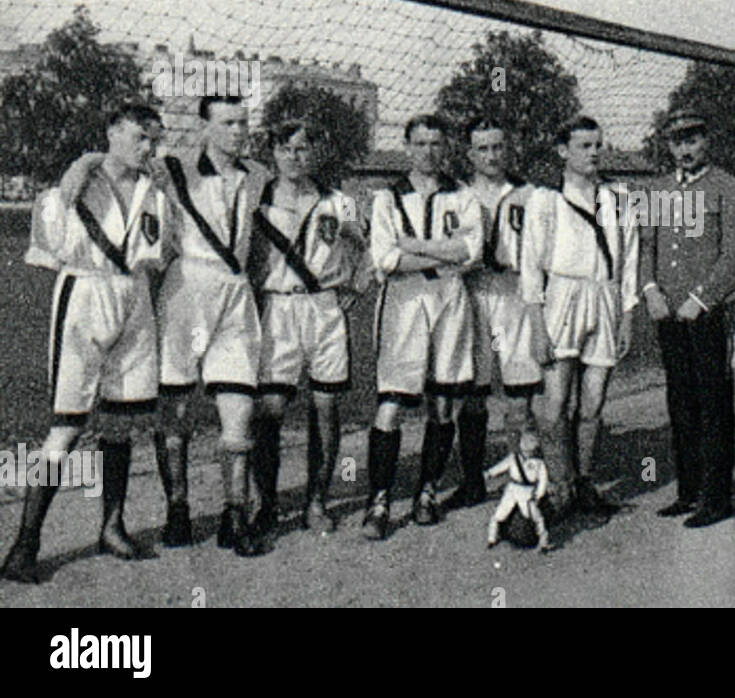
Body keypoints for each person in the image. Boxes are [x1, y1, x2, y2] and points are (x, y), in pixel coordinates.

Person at [2, 104, 170, 583]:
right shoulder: (74, 184)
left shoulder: (152, 192)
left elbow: (159, 251)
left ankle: (112, 526)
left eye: (154, 140)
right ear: (112, 132)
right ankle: (26, 542)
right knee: (68, 425)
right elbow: (51, 241)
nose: (148, 148)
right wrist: (82, 165)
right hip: (84, 295)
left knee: (121, 421)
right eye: (140, 137)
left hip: (133, 297)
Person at [150, 94, 275, 557]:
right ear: (205, 127)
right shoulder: (173, 168)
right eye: (227, 123)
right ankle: (178, 508)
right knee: (176, 406)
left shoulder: (259, 175)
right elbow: (120, 163)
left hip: (236, 293)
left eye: (243, 122)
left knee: (238, 405)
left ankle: (234, 514)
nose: (238, 131)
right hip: (187, 289)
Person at [363, 114, 484, 540]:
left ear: (446, 146)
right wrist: (441, 253)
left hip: (450, 300)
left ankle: (427, 490)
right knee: (392, 403)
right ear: (407, 146)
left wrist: (413, 246)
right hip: (405, 301)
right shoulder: (387, 199)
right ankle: (378, 499)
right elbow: (386, 259)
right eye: (420, 143)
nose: (428, 151)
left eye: (436, 143)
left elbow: (471, 252)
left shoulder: (463, 195)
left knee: (444, 403)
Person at [247, 120, 366, 536]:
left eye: (303, 148)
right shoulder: (257, 200)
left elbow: (364, 244)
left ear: (315, 152)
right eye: (286, 149)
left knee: (326, 406)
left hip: (323, 307)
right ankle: (265, 501)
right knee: (271, 409)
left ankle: (317, 500)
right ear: (273, 154)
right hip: (277, 307)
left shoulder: (338, 201)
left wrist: (357, 282)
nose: (294, 157)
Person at [519, 115, 639, 519]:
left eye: (597, 145)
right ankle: (558, 487)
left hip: (604, 298)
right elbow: (531, 265)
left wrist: (627, 315)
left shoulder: (619, 198)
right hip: (562, 299)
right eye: (584, 145)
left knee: (593, 403)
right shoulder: (545, 199)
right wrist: (537, 326)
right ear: (562, 151)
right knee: (554, 404)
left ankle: (584, 482)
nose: (593, 153)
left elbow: (630, 263)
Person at [639, 107, 735, 528]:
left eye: (692, 140)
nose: (684, 149)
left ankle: (716, 497)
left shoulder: (728, 187)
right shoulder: (659, 190)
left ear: (707, 141)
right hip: (668, 312)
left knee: (713, 403)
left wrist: (701, 298)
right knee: (679, 402)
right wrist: (650, 290)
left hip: (706, 312)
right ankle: (688, 491)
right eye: (676, 141)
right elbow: (646, 247)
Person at [456, 116, 540, 510]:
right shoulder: (456, 195)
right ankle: (472, 480)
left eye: (497, 147)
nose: (491, 155)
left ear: (508, 149)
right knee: (473, 391)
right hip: (472, 292)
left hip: (514, 292)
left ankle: (523, 473)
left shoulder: (530, 194)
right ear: (470, 154)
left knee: (518, 391)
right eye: (483, 148)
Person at [484, 432, 552, 553]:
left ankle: (544, 543)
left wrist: (539, 495)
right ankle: (491, 538)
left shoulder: (539, 463)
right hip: (513, 489)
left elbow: (543, 480)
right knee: (500, 513)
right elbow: (501, 466)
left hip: (528, 492)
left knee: (535, 517)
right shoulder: (513, 458)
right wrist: (490, 473)